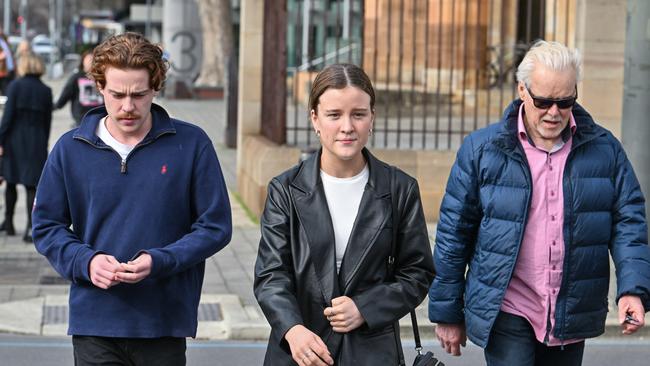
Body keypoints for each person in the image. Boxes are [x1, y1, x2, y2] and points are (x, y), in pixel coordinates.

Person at [428, 40, 650, 365]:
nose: (554, 113)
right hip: (508, 308)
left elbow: (629, 223)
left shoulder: (605, 150)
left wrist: (633, 289)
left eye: (565, 102)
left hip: (570, 312)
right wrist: (447, 312)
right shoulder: (482, 150)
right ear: (522, 89)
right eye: (544, 101)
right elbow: (453, 235)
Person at [32, 32, 232, 366]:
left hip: (163, 324)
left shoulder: (192, 143)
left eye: (139, 95)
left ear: (155, 87)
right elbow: (46, 226)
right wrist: (86, 262)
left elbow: (216, 227)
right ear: (99, 87)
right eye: (117, 94)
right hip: (94, 322)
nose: (128, 106)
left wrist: (160, 261)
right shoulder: (69, 149)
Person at [254, 63, 435, 365]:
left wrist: (365, 307)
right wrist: (293, 329)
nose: (347, 126)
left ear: (372, 117)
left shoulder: (400, 188)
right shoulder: (285, 189)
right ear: (315, 118)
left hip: (371, 351)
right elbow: (271, 274)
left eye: (358, 114)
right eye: (334, 115)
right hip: (300, 350)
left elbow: (417, 272)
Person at [0, 51, 52, 242]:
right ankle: (31, 228)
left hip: (15, 140)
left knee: (11, 183)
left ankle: (9, 223)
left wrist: (1, 140)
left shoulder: (15, 86)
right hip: (36, 142)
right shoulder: (46, 90)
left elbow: (7, 118)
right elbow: (48, 121)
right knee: (32, 186)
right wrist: (44, 142)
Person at [54, 49, 104, 127]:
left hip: (100, 116)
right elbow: (67, 92)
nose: (90, 63)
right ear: (83, 61)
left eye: (93, 60)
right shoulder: (76, 77)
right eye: (88, 60)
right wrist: (56, 106)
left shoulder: (103, 77)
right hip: (81, 117)